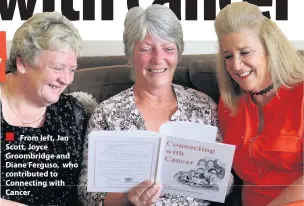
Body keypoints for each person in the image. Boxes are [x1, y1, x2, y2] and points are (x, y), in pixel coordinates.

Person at [78, 4, 230, 206]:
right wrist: (126, 198)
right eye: (146, 49)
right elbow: (86, 190)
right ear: (130, 54)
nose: (158, 59)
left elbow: (226, 182)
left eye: (168, 49)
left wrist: (221, 180)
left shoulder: (204, 107)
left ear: (178, 53)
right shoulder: (107, 113)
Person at [214, 2, 304, 206]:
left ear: (269, 50)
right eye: (228, 56)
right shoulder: (229, 104)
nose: (236, 65)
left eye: (245, 52)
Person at [0, 11, 87, 205]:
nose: (65, 79)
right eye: (57, 68)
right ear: (22, 63)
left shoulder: (72, 113)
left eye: (71, 70)